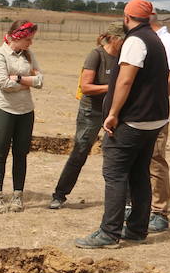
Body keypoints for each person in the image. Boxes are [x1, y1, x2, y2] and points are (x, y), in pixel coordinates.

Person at [75, 0, 169, 249]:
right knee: (138, 173)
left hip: (134, 119)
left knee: (115, 173)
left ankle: (109, 232)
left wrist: (113, 113)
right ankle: (137, 229)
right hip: (154, 119)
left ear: (126, 18)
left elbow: (125, 81)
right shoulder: (155, 38)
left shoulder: (135, 41)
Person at [48, 23, 123, 209]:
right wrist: (113, 87)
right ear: (114, 39)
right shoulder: (96, 55)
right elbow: (86, 86)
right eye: (123, 40)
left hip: (114, 112)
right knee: (80, 152)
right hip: (91, 112)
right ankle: (59, 195)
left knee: (118, 155)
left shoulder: (124, 58)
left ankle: (125, 200)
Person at [0, 20, 42, 212]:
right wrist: (28, 82)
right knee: (0, 152)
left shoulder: (29, 55)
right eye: (28, 39)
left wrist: (18, 78)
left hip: (26, 111)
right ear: (16, 37)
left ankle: (18, 195)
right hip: (3, 109)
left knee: (21, 154)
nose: (30, 43)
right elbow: (4, 84)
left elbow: (40, 80)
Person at [147, 15, 170, 232]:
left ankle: (160, 212)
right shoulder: (146, 39)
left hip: (154, 114)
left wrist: (155, 104)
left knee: (155, 161)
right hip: (139, 115)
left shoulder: (167, 41)